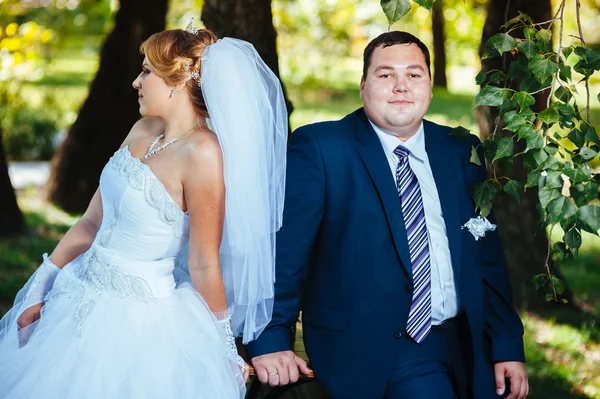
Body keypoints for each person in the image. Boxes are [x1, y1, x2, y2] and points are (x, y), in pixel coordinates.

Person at [0, 20, 287, 399]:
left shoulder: (203, 154)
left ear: (178, 82)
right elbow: (90, 222)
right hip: (76, 293)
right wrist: (41, 285)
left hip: (137, 321)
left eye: (147, 72)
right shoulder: (142, 130)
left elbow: (203, 260)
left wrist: (223, 346)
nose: (136, 81)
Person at [247, 31, 529, 399]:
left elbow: (486, 257)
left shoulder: (461, 150)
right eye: (385, 75)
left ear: (429, 84)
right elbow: (284, 255)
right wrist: (270, 339)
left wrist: (506, 345)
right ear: (364, 85)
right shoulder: (321, 148)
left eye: (414, 74)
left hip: (465, 337)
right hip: (376, 344)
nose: (401, 86)